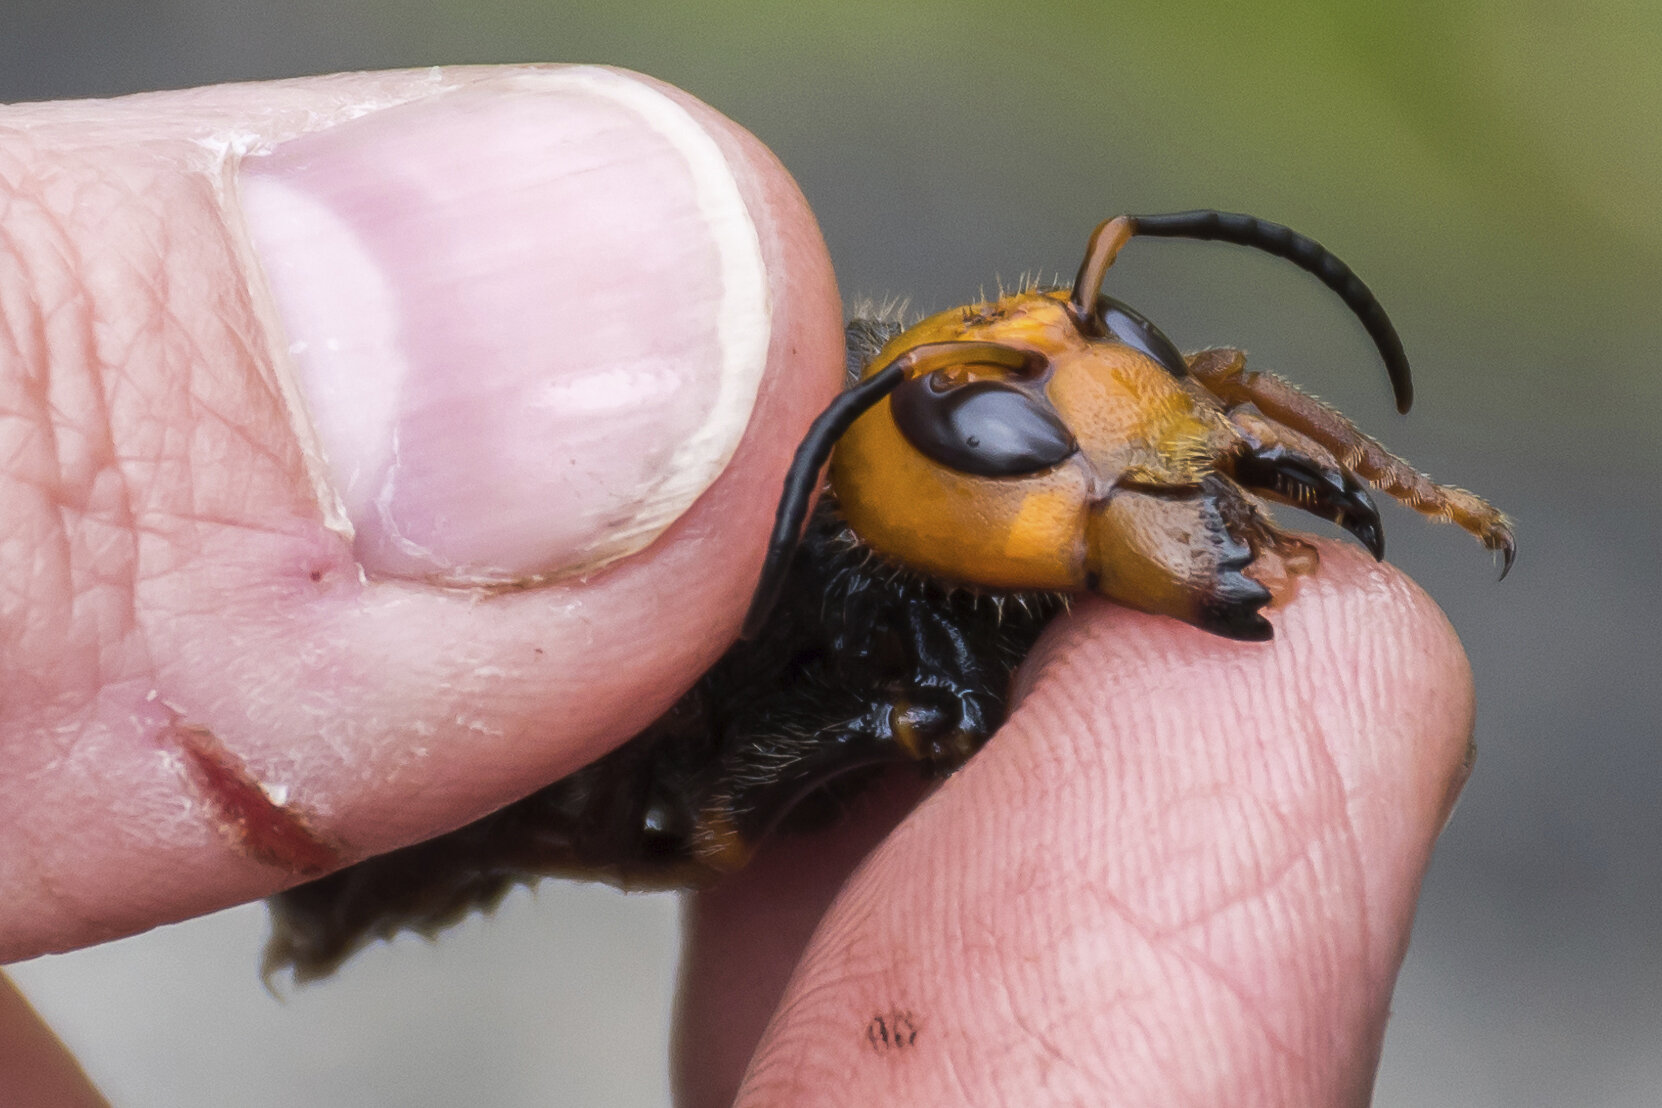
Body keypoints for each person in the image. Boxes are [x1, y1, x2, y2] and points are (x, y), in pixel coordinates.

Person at [0, 66, 1474, 1106]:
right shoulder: (834, 568)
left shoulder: (1000, 509)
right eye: (1018, 430)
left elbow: (1200, 389)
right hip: (528, 794)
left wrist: (1386, 473)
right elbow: (705, 811)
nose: (1132, 424)